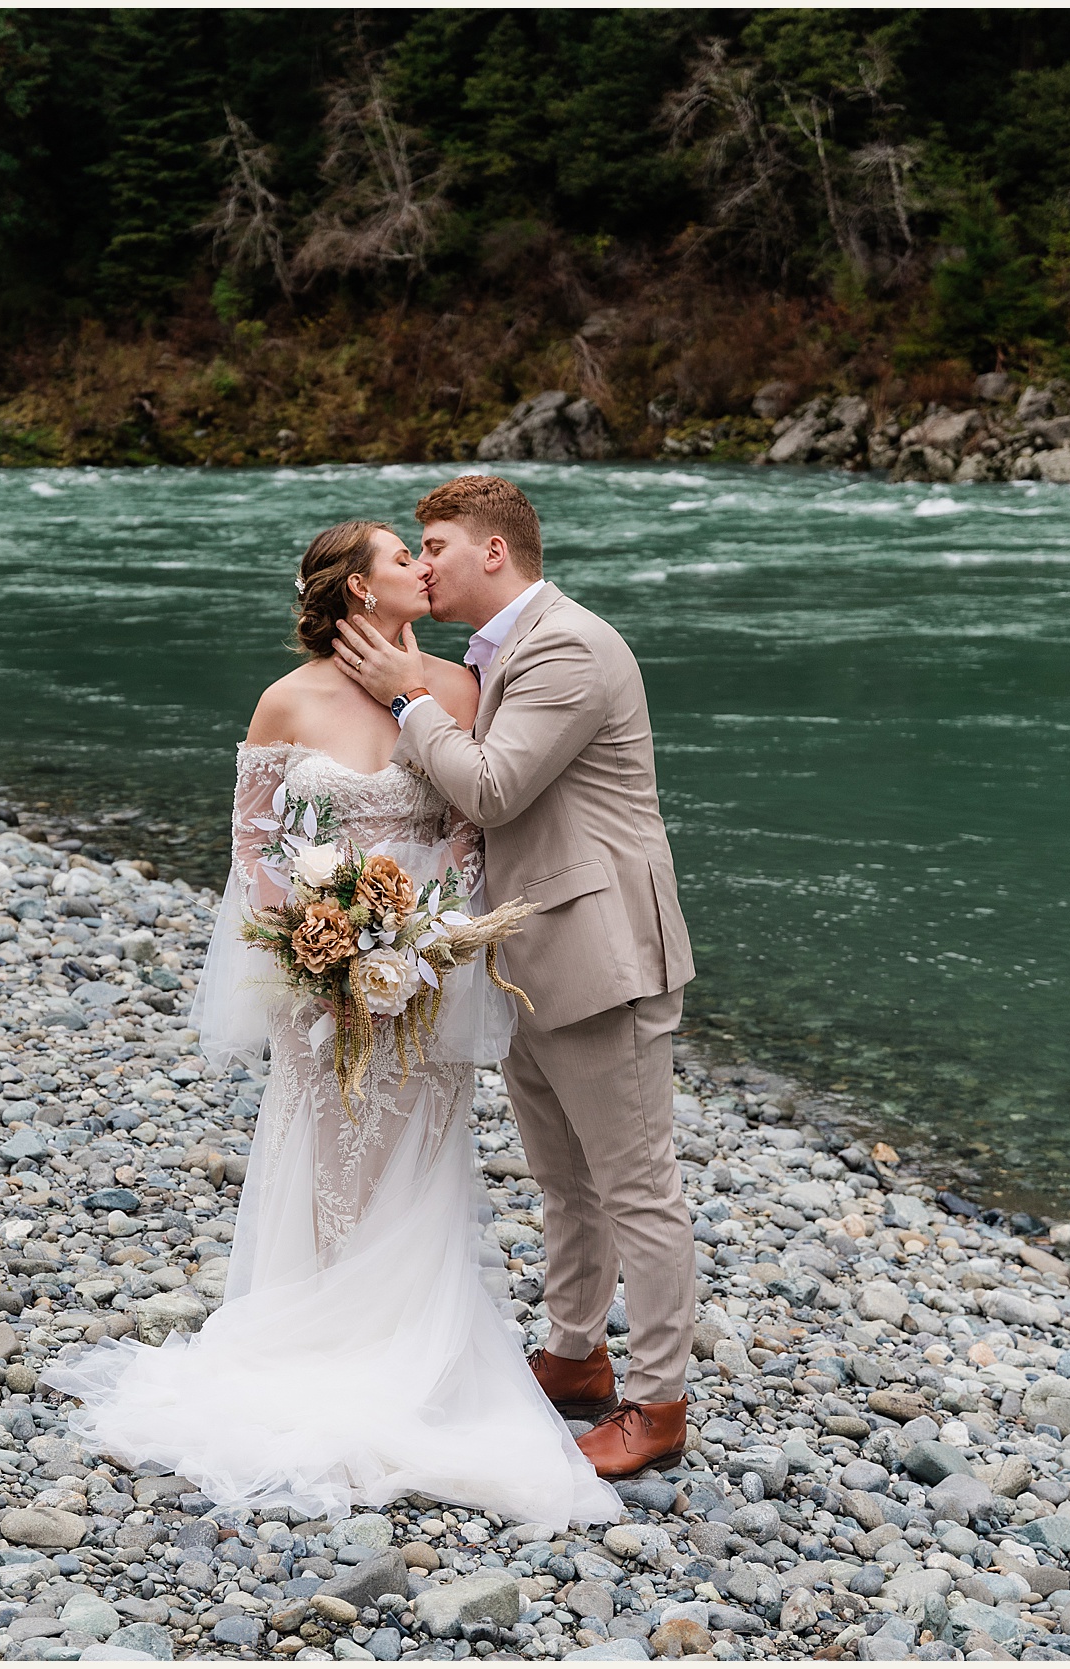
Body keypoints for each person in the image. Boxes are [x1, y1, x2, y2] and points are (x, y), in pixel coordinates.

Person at [44, 518, 622, 1531]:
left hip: (423, 968)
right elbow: (255, 845)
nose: (422, 568)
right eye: (403, 557)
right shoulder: (288, 699)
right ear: (358, 589)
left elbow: (472, 839)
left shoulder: (452, 690)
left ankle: (416, 1354)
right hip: (316, 978)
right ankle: (309, 1341)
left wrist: (419, 941)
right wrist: (319, 946)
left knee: (418, 1151)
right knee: (325, 1152)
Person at [333, 475, 697, 1478]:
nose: (422, 562)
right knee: (563, 1181)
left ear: (495, 551)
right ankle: (576, 1358)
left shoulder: (569, 646)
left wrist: (403, 696)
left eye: (436, 542)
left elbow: (491, 786)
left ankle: (659, 1405)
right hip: (529, 954)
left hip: (600, 954)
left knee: (637, 1188)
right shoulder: (494, 656)